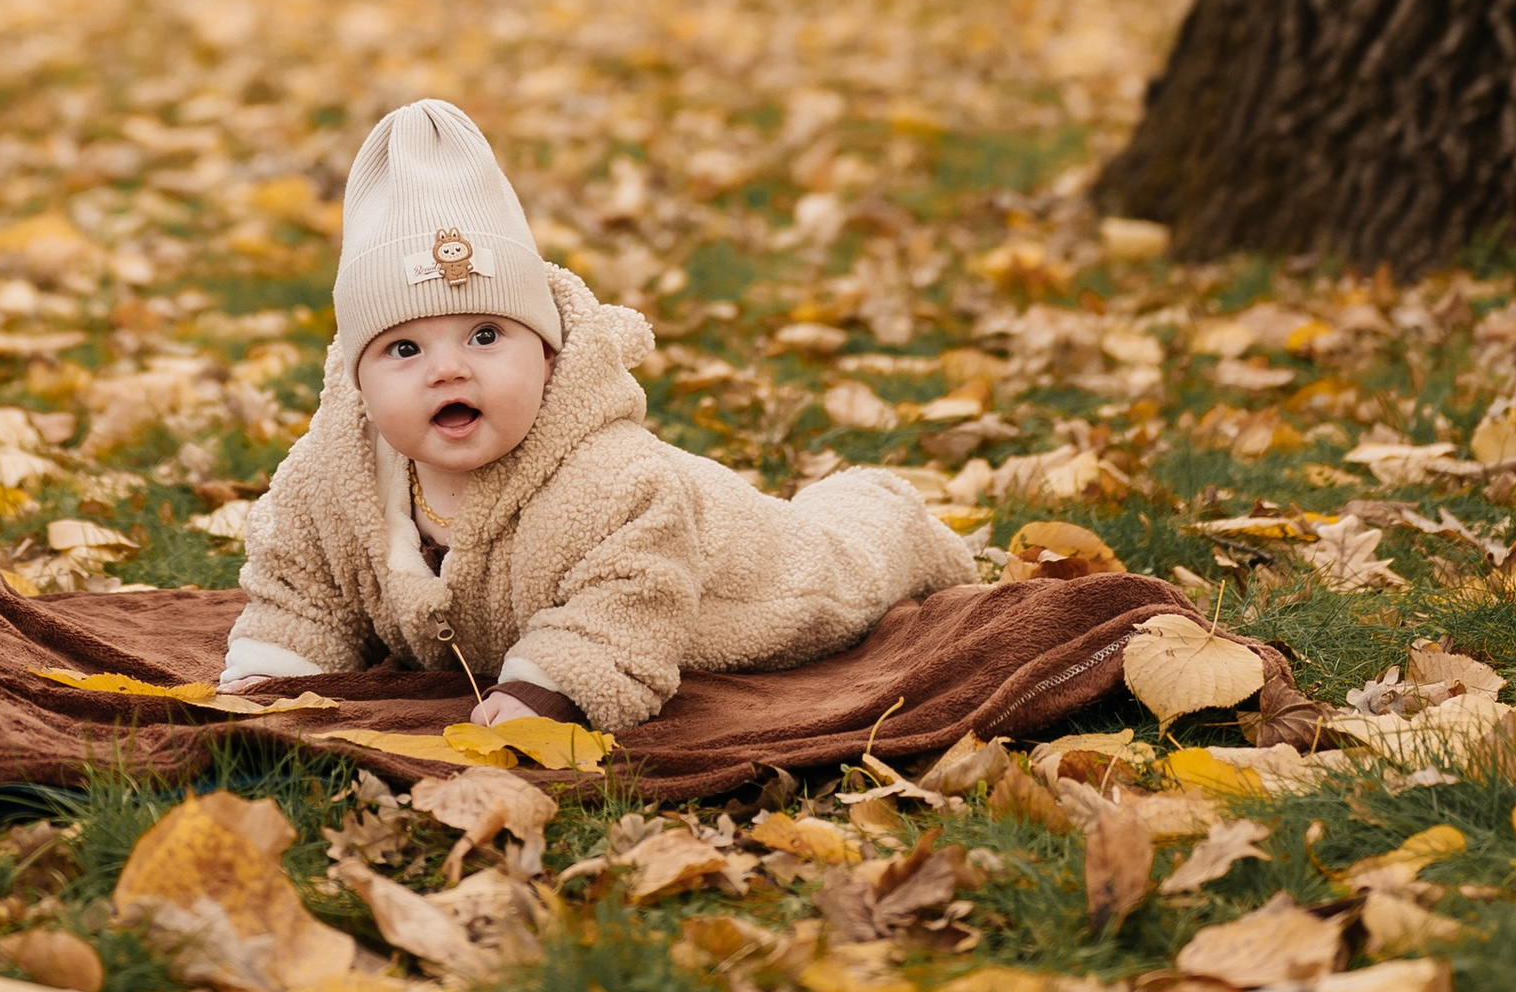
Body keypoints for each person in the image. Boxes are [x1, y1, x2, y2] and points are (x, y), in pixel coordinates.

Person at [219, 96, 977, 733]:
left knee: (847, 559)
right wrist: (273, 675)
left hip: (749, 573)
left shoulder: (615, 482)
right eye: (404, 348)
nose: (448, 367)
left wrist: (549, 686)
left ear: (547, 352)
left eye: (486, 335)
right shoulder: (329, 481)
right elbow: (299, 588)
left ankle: (886, 508)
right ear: (358, 381)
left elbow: (629, 600)